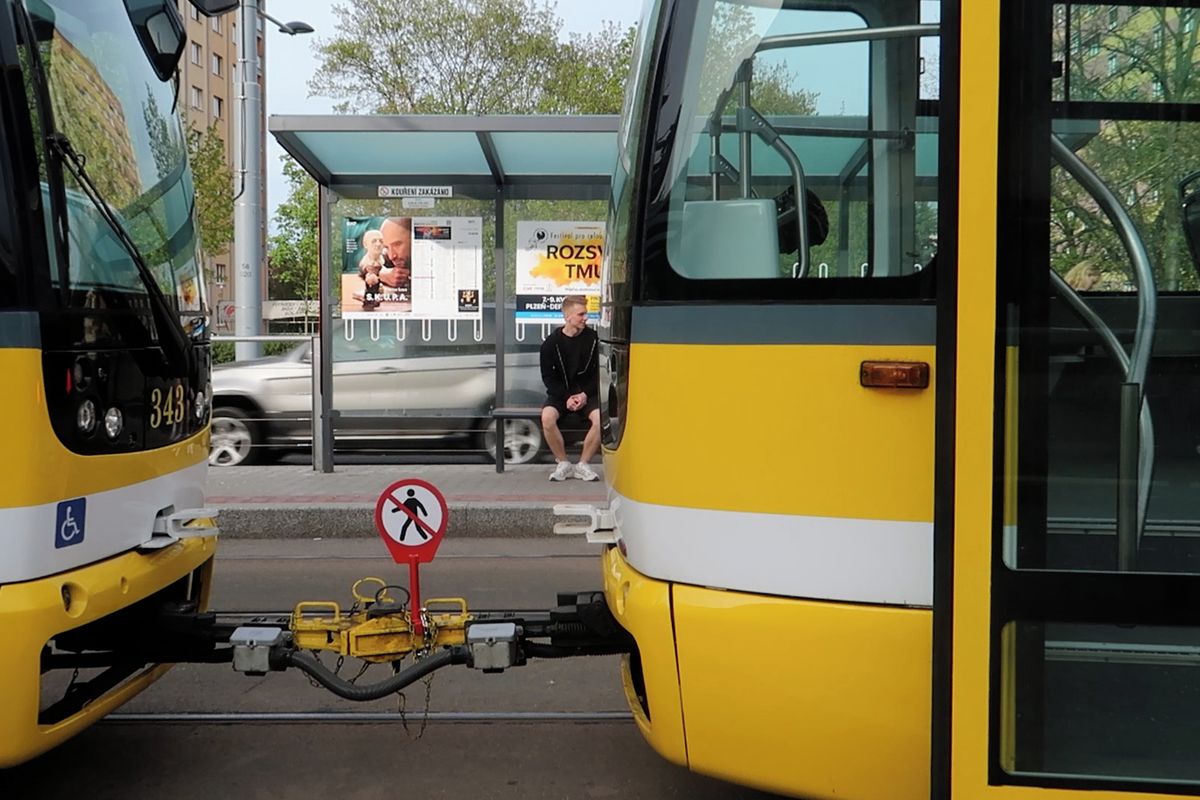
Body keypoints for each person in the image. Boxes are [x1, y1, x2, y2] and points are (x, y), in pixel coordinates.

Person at [540, 296, 601, 481]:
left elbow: (599, 373)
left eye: (586, 314)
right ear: (567, 316)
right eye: (581, 314)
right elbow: (548, 377)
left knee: (600, 419)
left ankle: (583, 464)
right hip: (561, 395)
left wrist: (584, 395)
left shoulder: (593, 339)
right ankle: (563, 463)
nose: (585, 318)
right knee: (547, 417)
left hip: (587, 393)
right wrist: (567, 397)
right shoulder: (551, 343)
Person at [378, 217, 413, 296]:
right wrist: (384, 274)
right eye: (386, 247)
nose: (391, 256)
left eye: (397, 245)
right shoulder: (388, 255)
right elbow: (365, 266)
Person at [358, 229, 385, 310]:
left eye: (381, 241)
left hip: (379, 282)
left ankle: (375, 301)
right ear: (365, 244)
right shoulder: (365, 261)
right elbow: (363, 271)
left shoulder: (384, 258)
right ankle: (368, 303)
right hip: (370, 281)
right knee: (370, 291)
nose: (378, 244)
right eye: (374, 241)